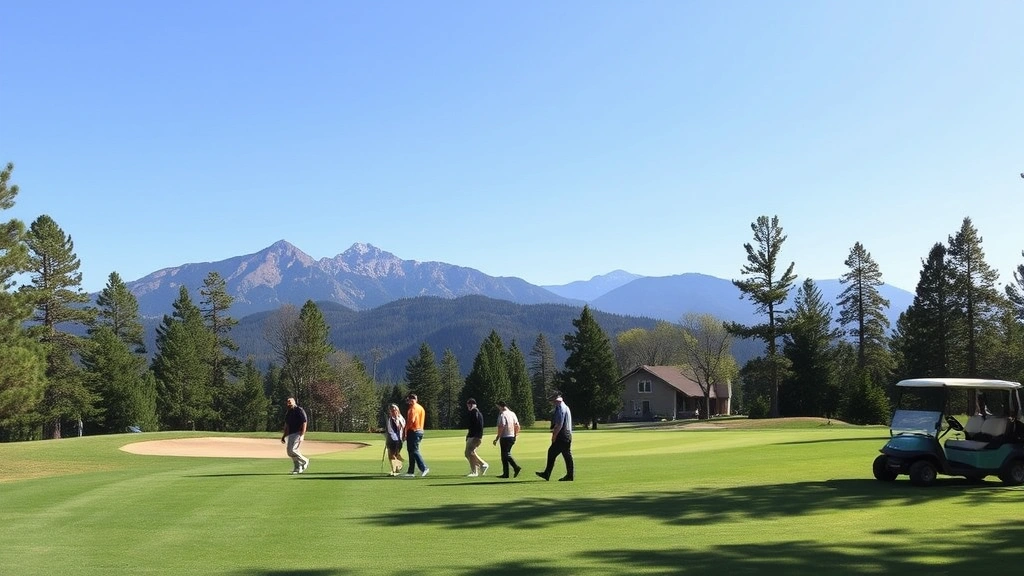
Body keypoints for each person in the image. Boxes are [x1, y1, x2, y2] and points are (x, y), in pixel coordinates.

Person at [536, 391, 574, 482]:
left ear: (556, 401)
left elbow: (559, 424)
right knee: (566, 455)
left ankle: (547, 473)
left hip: (562, 435)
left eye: (553, 401)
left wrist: (554, 435)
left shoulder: (560, 408)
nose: (552, 403)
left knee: (552, 453)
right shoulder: (566, 407)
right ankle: (569, 475)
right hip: (567, 434)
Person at [492, 400, 522, 478]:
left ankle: (516, 467)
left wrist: (497, 437)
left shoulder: (502, 414)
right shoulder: (512, 413)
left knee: (506, 454)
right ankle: (506, 473)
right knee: (504, 455)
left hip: (505, 436)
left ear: (500, 406)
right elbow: (517, 425)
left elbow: (501, 426)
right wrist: (515, 435)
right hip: (512, 436)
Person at [403, 393, 429, 477]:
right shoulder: (420, 407)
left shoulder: (412, 408)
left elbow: (411, 421)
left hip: (413, 431)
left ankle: (424, 467)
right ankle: (411, 471)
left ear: (410, 400)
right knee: (411, 451)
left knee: (414, 450)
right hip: (420, 430)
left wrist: (405, 431)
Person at [281, 397, 309, 474]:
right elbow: (287, 425)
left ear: (294, 402)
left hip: (298, 433)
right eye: (287, 402)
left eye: (290, 402)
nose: (288, 404)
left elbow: (304, 422)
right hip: (290, 434)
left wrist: (302, 435)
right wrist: (284, 436)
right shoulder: (288, 412)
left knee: (293, 449)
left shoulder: (299, 410)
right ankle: (297, 468)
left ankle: (304, 460)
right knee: (289, 452)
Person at [464, 398, 489, 477]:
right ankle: (482, 465)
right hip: (472, 436)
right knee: (468, 453)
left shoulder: (475, 412)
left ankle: (475, 471)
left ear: (472, 405)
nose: (468, 406)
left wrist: (477, 437)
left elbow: (478, 426)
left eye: (469, 405)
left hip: (475, 436)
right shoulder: (474, 412)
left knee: (470, 452)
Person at [384, 403, 406, 476]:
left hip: (397, 440)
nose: (393, 412)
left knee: (393, 455)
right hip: (392, 439)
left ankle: (397, 468)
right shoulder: (392, 419)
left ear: (397, 410)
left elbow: (401, 428)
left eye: (394, 410)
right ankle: (396, 469)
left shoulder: (399, 419)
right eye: (392, 410)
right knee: (393, 455)